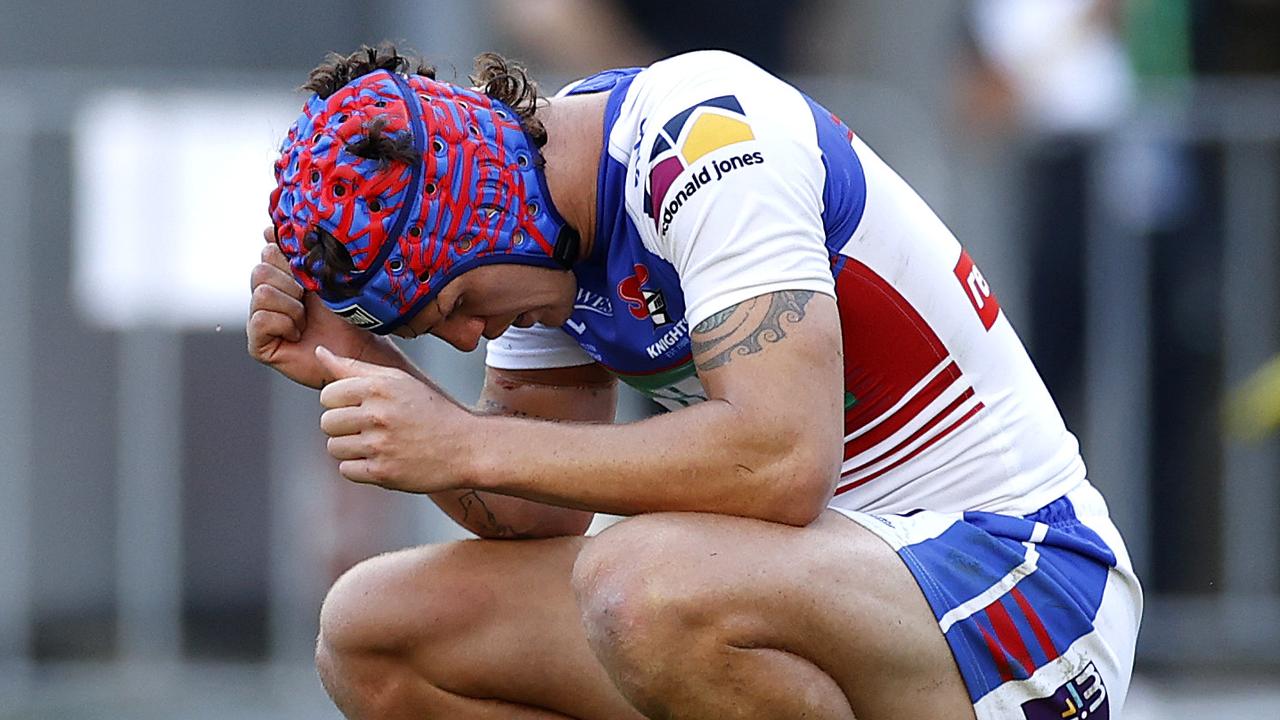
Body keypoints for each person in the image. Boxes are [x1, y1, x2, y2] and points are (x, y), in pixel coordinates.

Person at [249, 44, 1141, 720]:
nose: (466, 336)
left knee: (643, 588)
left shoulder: (704, 135)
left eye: (457, 303)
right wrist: (355, 360)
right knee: (374, 631)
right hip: (834, 592)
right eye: (427, 331)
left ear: (490, 207)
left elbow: (782, 461)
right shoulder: (535, 226)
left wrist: (463, 442)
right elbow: (530, 515)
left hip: (1027, 593)